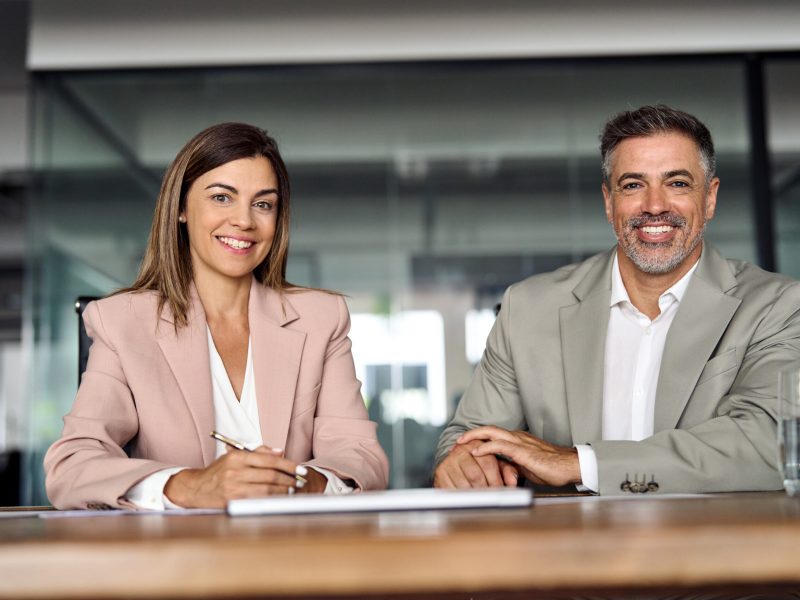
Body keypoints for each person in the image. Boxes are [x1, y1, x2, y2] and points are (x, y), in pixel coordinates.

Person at [434, 105, 800, 495]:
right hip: (568, 551)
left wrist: (578, 463)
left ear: (709, 198)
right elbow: (468, 439)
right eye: (633, 185)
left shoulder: (776, 307)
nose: (655, 205)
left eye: (677, 183)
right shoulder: (528, 309)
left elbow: (769, 442)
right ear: (609, 202)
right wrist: (468, 463)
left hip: (712, 550)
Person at [45, 123, 389, 509]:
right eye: (222, 197)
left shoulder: (321, 318)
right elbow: (72, 467)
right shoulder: (122, 322)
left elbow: (362, 457)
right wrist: (190, 486)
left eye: (263, 204)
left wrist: (297, 482)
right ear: (181, 209)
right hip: (178, 561)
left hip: (295, 551)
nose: (244, 220)